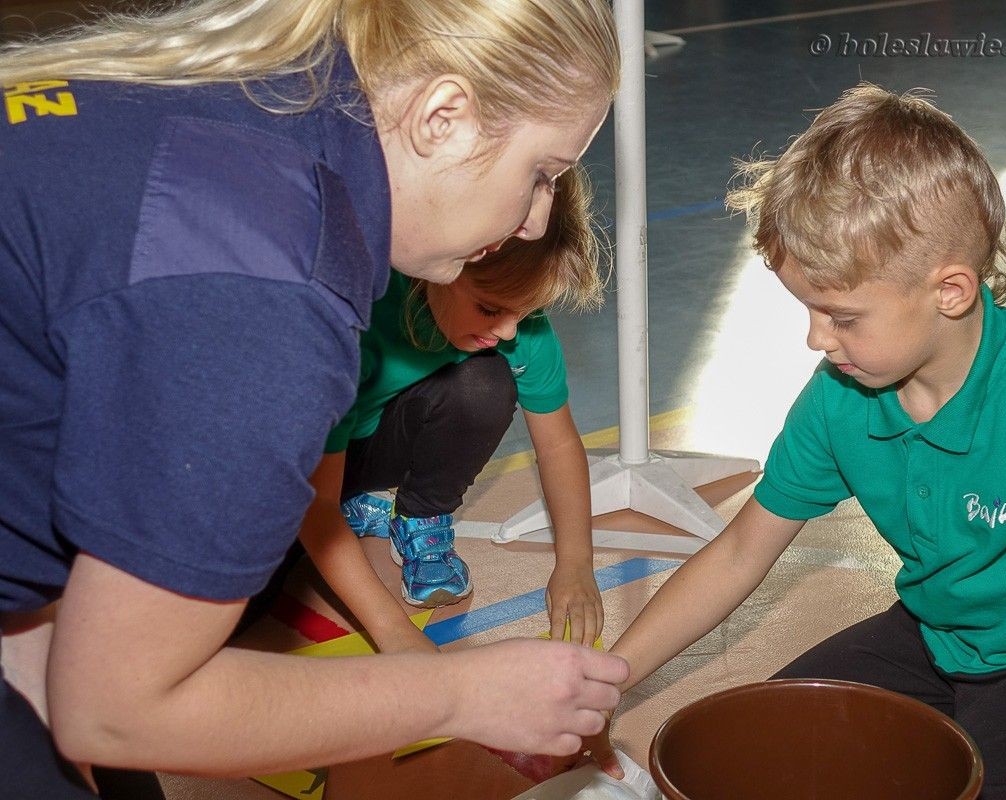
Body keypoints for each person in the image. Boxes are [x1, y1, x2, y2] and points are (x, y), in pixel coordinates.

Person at [0, 1, 629, 796]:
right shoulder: (267, 290)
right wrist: (465, 694)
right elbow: (118, 712)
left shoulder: (271, 92)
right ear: (443, 117)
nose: (539, 222)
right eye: (542, 175)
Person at [585, 84, 1006, 800]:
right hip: (934, 635)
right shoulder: (841, 395)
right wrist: (610, 678)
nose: (817, 338)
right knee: (771, 740)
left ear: (951, 292)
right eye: (809, 310)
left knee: (956, 786)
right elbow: (739, 551)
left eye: (841, 317)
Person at [298, 165, 606, 653]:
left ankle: (419, 518)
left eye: (522, 313)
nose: (509, 330)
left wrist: (575, 564)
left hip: (371, 442)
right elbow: (310, 500)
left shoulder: (516, 323)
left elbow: (560, 444)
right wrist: (393, 630)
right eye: (489, 308)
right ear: (443, 267)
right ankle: (353, 501)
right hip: (305, 455)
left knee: (485, 382)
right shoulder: (359, 316)